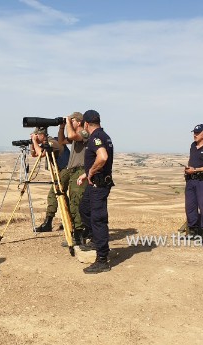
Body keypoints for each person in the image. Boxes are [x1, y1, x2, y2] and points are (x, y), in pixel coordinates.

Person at [77, 110, 114, 274]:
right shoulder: (103, 135)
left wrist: (91, 172)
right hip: (95, 183)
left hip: (98, 186)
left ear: (85, 124)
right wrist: (87, 174)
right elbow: (100, 161)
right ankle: (95, 239)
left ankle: (102, 259)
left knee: (98, 219)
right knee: (84, 209)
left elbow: (103, 157)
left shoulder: (96, 137)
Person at [57, 112, 89, 245]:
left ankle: (79, 235)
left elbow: (71, 135)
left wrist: (68, 123)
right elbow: (61, 141)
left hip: (80, 170)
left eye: (73, 120)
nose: (71, 121)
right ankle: (77, 231)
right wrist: (62, 126)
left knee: (76, 202)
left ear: (79, 122)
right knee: (71, 201)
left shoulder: (84, 133)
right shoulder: (76, 136)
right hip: (73, 171)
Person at [30, 127, 66, 232]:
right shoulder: (47, 143)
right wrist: (33, 143)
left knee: (53, 195)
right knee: (63, 197)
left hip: (65, 170)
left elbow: (41, 153)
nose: (35, 137)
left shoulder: (52, 142)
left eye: (36, 135)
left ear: (42, 135)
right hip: (61, 171)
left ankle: (48, 223)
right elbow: (34, 154)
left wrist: (34, 141)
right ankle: (69, 221)